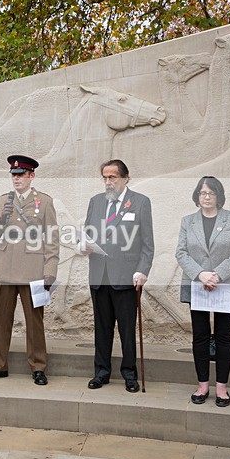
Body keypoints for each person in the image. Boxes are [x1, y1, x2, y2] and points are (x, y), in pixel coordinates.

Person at [0, 155, 59, 386]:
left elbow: (52, 239)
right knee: (2, 320)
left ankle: (38, 367)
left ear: (31, 176)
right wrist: (2, 219)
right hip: (4, 269)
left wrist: (50, 270)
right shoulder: (3, 200)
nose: (16, 179)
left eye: (21, 174)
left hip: (33, 270)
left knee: (34, 322)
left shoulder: (44, 202)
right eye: (13, 175)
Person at [81, 159, 154, 393]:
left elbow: (147, 244)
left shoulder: (140, 202)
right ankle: (101, 372)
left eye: (112, 177)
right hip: (99, 275)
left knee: (126, 329)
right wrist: (83, 245)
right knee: (101, 328)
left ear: (125, 178)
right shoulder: (96, 202)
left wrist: (142, 270)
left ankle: (129, 374)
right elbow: (87, 234)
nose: (108, 182)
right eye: (104, 177)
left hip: (126, 277)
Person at [175, 176, 230, 407]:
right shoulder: (188, 221)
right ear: (197, 196)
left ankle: (222, 388)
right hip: (197, 285)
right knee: (200, 335)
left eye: (211, 193)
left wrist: (217, 274)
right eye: (202, 193)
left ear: (219, 195)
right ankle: (203, 385)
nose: (206, 197)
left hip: (224, 284)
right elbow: (181, 252)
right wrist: (200, 274)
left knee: (224, 335)